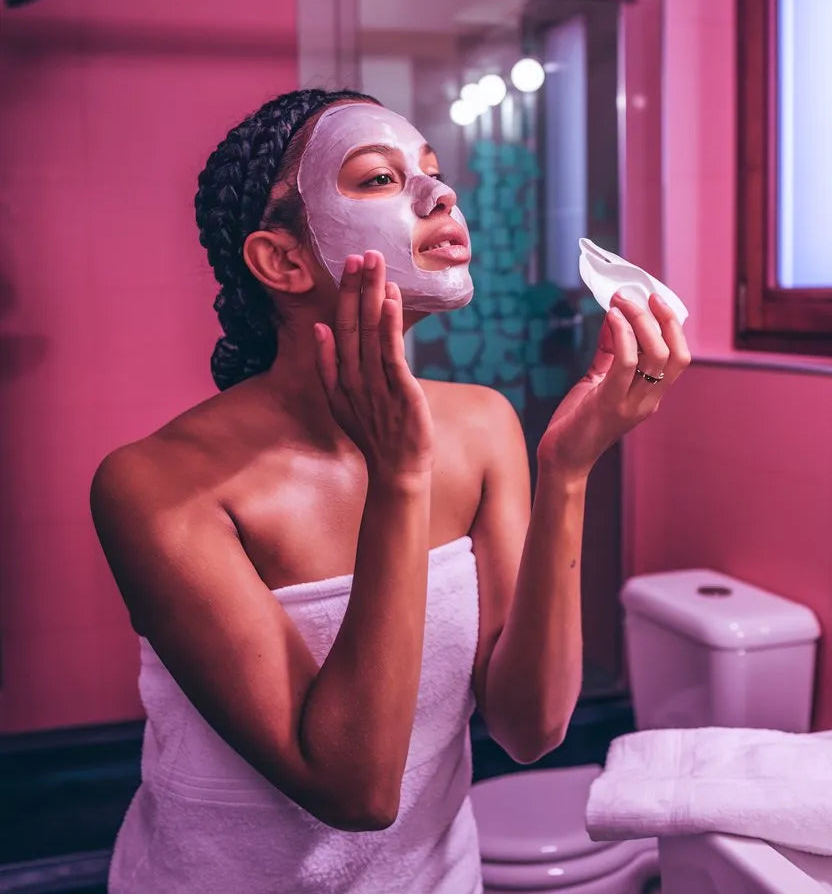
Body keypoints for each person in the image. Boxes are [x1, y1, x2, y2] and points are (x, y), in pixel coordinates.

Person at [90, 87, 690, 893]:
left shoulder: (483, 425)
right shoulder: (156, 485)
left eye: (432, 171)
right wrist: (401, 478)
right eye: (379, 178)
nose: (440, 194)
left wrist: (569, 472)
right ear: (283, 261)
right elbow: (356, 792)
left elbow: (531, 728)